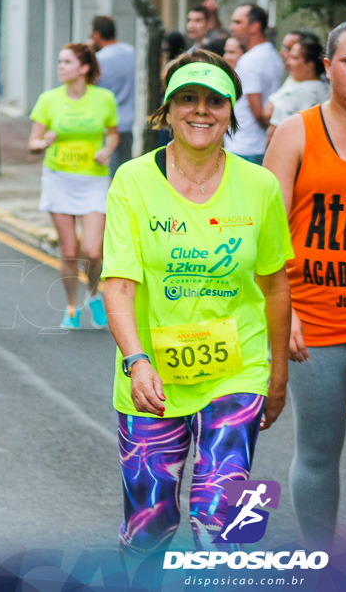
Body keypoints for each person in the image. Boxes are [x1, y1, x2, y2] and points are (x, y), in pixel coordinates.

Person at [103, 49, 292, 557]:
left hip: (238, 369)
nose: (201, 110)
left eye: (214, 100)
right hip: (151, 375)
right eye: (187, 99)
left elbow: (275, 284)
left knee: (222, 520)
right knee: (149, 523)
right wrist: (136, 360)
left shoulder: (260, 186)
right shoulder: (132, 181)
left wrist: (276, 375)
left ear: (232, 111)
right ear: (166, 110)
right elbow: (117, 284)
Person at [263, 20, 346, 553]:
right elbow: (267, 231)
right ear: (327, 67)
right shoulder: (297, 131)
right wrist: (286, 310)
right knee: (320, 448)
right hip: (312, 316)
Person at [27, 43, 118, 329]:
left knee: (92, 251)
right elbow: (32, 143)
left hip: (93, 179)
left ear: (84, 67)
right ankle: (71, 307)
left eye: (66, 62)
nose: (60, 66)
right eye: (59, 61)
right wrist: (44, 143)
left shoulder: (104, 98)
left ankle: (93, 296)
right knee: (69, 250)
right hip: (59, 179)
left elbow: (113, 134)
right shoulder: (48, 99)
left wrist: (108, 150)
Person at [226, 3, 283, 164]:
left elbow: (258, 112)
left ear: (255, 26)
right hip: (257, 145)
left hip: (245, 147)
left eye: (238, 22)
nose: (232, 27)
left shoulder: (250, 60)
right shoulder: (272, 54)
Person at [91, 15, 136, 174]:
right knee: (125, 170)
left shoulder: (98, 59)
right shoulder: (131, 51)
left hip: (106, 123)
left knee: (107, 170)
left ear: (96, 35)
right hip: (128, 120)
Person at [265, 34, 329, 144]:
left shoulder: (294, 93)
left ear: (310, 65)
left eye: (295, 58)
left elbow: (273, 135)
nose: (289, 63)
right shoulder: (328, 90)